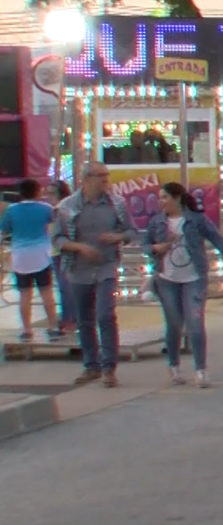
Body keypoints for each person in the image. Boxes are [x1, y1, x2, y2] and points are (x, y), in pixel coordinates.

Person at [145, 182, 223, 386]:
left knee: (195, 323)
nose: (161, 201)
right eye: (160, 198)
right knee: (173, 323)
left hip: (194, 278)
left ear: (177, 198)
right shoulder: (157, 222)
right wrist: (157, 247)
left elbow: (218, 240)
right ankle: (173, 366)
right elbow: (146, 245)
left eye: (165, 197)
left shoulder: (196, 220)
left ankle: (201, 370)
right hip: (166, 278)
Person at [55, 162, 137, 388]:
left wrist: (117, 237)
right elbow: (58, 240)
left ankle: (109, 367)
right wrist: (79, 247)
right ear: (86, 179)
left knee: (105, 314)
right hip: (78, 269)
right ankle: (91, 365)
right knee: (85, 319)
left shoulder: (116, 205)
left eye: (107, 176)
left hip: (106, 267)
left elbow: (131, 231)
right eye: (100, 176)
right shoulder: (67, 207)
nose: (105, 181)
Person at [1, 179, 64, 342]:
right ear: (37, 192)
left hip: (20, 258)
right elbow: (55, 223)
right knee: (47, 293)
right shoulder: (46, 209)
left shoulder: (12, 210)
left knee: (24, 295)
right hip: (41, 256)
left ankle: (27, 330)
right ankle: (52, 327)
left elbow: (4, 230)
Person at [45, 180, 76, 333]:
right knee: (66, 288)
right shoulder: (66, 207)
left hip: (61, 252)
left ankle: (69, 321)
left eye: (51, 193)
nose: (47, 196)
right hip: (60, 252)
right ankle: (69, 320)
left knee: (66, 288)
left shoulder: (59, 210)